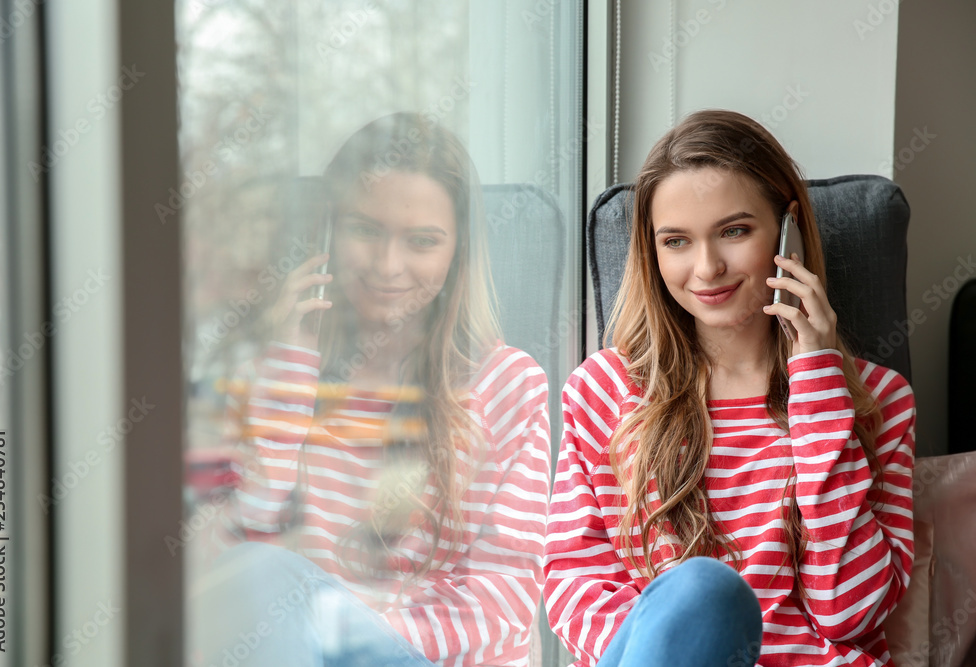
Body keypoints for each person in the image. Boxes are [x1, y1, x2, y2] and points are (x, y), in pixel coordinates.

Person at [544, 109, 915, 667]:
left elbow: (851, 612)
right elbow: (576, 582)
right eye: (676, 242)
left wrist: (817, 388)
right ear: (651, 251)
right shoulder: (601, 391)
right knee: (701, 597)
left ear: (787, 230)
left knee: (704, 591)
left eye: (734, 231)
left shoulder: (881, 401)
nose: (707, 268)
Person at [192, 113, 551, 667]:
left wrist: (352, 636)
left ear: (458, 252)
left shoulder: (509, 385)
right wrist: (286, 389)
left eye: (422, 242)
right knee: (255, 571)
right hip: (299, 651)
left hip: (417, 659)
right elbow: (226, 575)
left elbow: (503, 600)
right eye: (365, 231)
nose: (388, 266)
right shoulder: (272, 372)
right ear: (329, 233)